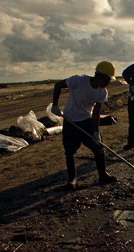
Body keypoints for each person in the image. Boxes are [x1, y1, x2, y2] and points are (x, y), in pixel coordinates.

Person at [51, 61, 118, 190]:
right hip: (70, 121)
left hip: (86, 120)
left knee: (98, 148)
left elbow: (96, 113)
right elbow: (58, 85)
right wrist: (55, 105)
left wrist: (96, 132)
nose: (108, 83)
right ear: (99, 76)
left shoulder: (102, 92)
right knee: (69, 151)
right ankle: (72, 180)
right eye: (107, 80)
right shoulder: (79, 81)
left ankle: (103, 175)